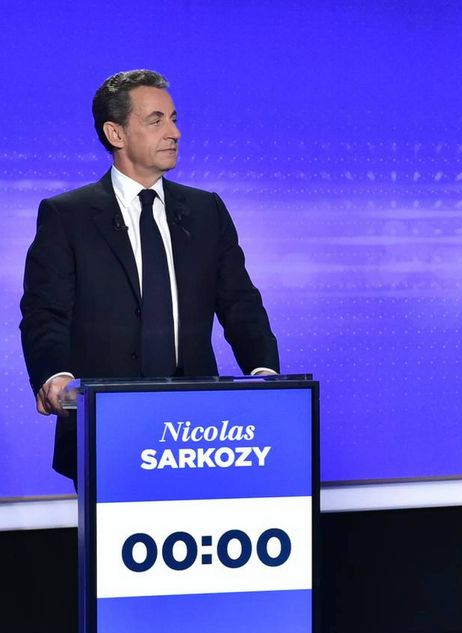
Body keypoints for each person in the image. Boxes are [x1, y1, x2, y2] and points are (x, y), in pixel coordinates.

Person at [20, 70, 279, 482]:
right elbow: (45, 313)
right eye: (156, 120)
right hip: (106, 428)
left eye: (173, 119)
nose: (174, 132)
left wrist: (264, 372)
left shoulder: (206, 210)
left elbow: (240, 303)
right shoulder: (67, 216)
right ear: (116, 134)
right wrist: (56, 376)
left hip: (200, 434)